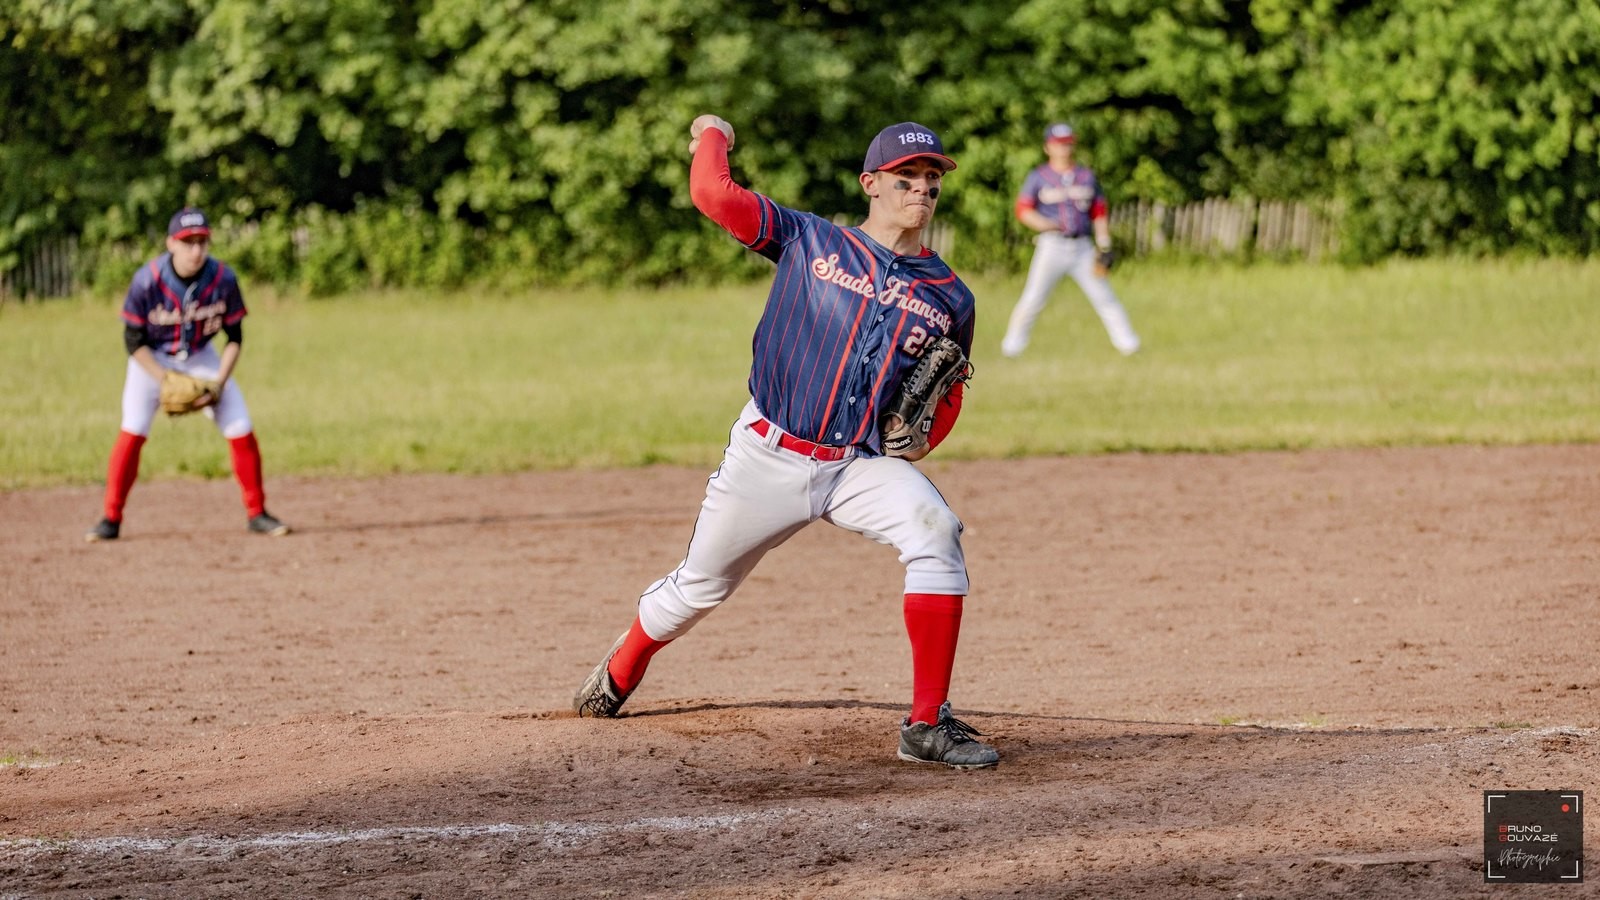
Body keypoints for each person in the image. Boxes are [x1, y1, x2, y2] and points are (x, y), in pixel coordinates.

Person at [570, 115, 999, 769]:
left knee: (935, 530)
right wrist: (714, 134)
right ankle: (624, 665)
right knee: (697, 589)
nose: (921, 187)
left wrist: (921, 442)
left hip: (857, 464)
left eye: (931, 177)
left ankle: (925, 725)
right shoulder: (810, 241)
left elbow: (947, 396)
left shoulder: (950, 298)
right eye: (906, 175)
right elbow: (714, 195)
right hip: (767, 455)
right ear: (871, 184)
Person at [85, 207, 290, 541]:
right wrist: (165, 379)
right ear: (171, 244)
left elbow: (234, 337)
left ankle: (257, 513)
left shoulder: (223, 279)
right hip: (151, 360)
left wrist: (220, 383)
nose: (196, 249)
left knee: (240, 425)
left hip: (201, 357)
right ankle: (110, 518)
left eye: (202, 241)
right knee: (133, 428)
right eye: (187, 242)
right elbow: (132, 342)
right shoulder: (146, 281)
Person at [1000, 122, 1140, 358]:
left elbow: (1098, 211)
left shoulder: (1085, 176)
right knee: (1033, 297)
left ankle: (1129, 344)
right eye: (1058, 144)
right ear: (1048, 147)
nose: (1064, 148)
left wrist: (1104, 244)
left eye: (1067, 143)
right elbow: (1023, 209)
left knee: (1104, 296)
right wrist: (1045, 224)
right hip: (1052, 244)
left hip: (1083, 247)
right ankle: (1012, 347)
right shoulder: (1039, 176)